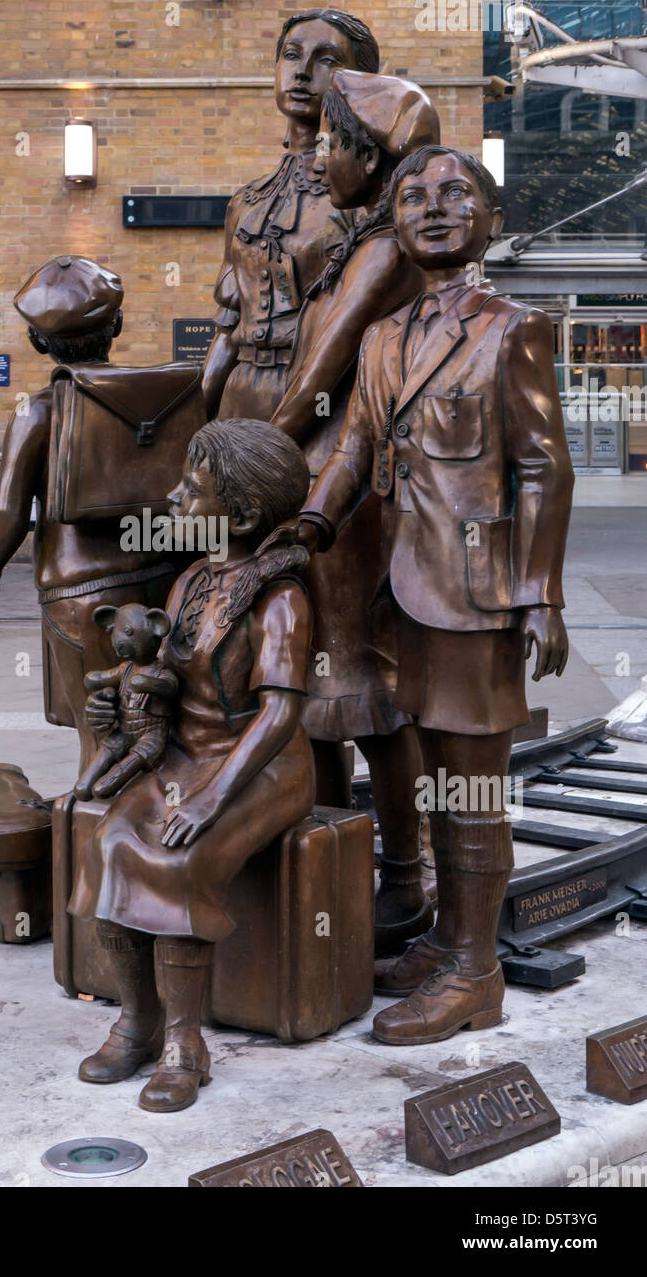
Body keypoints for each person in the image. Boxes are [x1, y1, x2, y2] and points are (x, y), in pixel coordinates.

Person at [262, 147, 573, 1045]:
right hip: (402, 601)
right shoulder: (380, 339)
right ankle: (446, 941)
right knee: (436, 782)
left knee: (474, 791)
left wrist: (539, 594)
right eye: (412, 197)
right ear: (393, 224)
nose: (432, 209)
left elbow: (544, 470)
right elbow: (355, 451)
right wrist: (311, 525)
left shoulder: (513, 328)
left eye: (455, 194)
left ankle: (477, 975)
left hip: (477, 600)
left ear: (491, 220)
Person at [69, 419, 315, 1112]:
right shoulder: (189, 583)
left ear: (237, 513)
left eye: (191, 489)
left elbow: (279, 715)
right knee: (113, 841)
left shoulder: (282, 598)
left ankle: (185, 1042)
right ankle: (137, 1020)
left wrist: (209, 800)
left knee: (180, 862)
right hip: (185, 755)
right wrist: (122, 711)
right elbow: (165, 678)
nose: (174, 498)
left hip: (260, 765)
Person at [270, 69, 441, 950]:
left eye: (336, 145)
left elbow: (315, 379)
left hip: (350, 484)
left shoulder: (381, 253)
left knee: (357, 681)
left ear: (369, 159)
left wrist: (252, 459)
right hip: (326, 476)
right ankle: (334, 854)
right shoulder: (356, 240)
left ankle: (403, 875)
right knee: (323, 684)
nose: (323, 158)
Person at [0, 256, 177, 770]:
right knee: (160, 728)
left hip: (81, 594)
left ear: (37, 342)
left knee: (103, 737)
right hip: (163, 578)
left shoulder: (37, 412)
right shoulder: (162, 398)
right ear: (116, 326)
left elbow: (6, 511)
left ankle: (97, 837)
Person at [201, 7, 379, 422]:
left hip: (331, 405)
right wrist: (196, 426)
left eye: (328, 59)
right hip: (241, 400)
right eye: (292, 55)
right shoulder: (246, 202)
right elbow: (228, 332)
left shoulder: (366, 198)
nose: (302, 72)